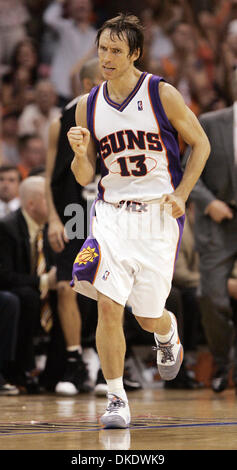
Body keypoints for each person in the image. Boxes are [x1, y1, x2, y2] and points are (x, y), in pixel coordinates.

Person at [67, 13, 210, 428]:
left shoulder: (160, 94)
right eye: (102, 50)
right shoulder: (86, 106)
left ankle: (166, 332)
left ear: (135, 54)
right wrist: (79, 153)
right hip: (110, 213)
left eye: (115, 51)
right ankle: (115, 398)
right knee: (108, 305)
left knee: (147, 315)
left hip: (158, 215)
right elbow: (85, 176)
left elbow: (200, 144)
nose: (107, 58)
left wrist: (182, 194)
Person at [45, 57, 102, 396]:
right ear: (87, 85)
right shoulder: (61, 122)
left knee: (109, 290)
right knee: (67, 287)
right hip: (73, 215)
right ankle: (74, 360)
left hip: (109, 213)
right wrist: (53, 218)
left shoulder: (120, 117)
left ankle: (106, 363)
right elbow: (51, 179)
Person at [186, 65, 237, 393]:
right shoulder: (210, 122)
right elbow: (186, 171)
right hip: (219, 218)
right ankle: (222, 362)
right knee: (211, 296)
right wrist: (208, 203)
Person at [0, 176, 57, 392]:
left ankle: (58, 371)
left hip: (33, 290)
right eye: (47, 199)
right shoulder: (7, 228)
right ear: (31, 204)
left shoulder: (50, 227)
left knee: (69, 294)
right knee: (25, 297)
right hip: (15, 290)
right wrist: (43, 281)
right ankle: (19, 370)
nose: (52, 204)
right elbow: (4, 275)